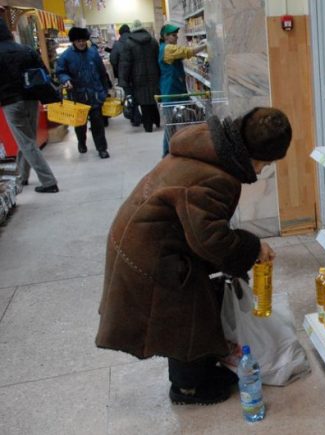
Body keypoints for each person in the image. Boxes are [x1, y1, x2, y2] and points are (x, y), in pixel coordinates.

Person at [95, 107, 292, 405]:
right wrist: (252, 247)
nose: (261, 170)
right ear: (253, 155)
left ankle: (200, 366)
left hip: (142, 238)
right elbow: (210, 241)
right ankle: (188, 387)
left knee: (202, 294)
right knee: (187, 309)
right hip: (151, 254)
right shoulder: (217, 178)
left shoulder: (207, 146)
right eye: (265, 163)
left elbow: (201, 226)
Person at [0, 19, 59, 193]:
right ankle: (22, 176)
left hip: (10, 103)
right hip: (32, 100)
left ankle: (49, 182)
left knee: (26, 141)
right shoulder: (26, 50)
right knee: (27, 139)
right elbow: (44, 73)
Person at [55, 27, 111, 158]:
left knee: (98, 124)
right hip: (78, 96)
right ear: (73, 41)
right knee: (80, 124)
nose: (81, 43)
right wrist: (66, 80)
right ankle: (81, 142)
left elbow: (102, 73)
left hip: (95, 94)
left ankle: (102, 149)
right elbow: (60, 72)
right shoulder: (66, 56)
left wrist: (104, 91)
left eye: (83, 40)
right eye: (78, 41)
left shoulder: (93, 54)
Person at [158, 23, 206, 156]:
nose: (177, 37)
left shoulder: (168, 48)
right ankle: (167, 153)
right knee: (170, 126)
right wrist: (204, 46)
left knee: (175, 125)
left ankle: (174, 151)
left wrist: (199, 44)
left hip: (177, 91)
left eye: (176, 35)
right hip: (171, 92)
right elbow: (186, 52)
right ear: (165, 36)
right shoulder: (167, 49)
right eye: (174, 35)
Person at [119, 20, 161, 132]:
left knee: (143, 102)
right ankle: (157, 121)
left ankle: (148, 126)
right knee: (152, 99)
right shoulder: (153, 41)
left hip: (137, 77)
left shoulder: (128, 43)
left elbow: (125, 64)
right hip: (154, 75)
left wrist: (124, 79)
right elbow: (158, 59)